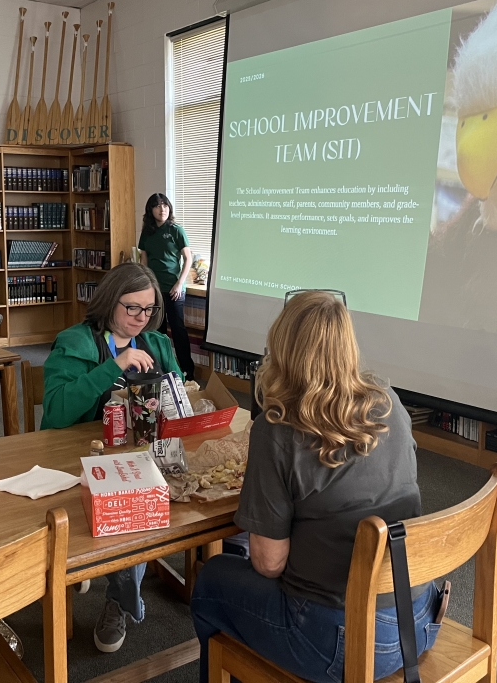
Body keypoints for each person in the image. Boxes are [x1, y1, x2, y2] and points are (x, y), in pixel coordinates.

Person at [191, 291, 441, 683]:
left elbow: (269, 564)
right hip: (420, 619)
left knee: (212, 580)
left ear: (281, 348)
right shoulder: (390, 401)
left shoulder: (278, 429)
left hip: (341, 641)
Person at [42, 262, 181, 654]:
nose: (141, 319)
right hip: (79, 456)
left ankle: (113, 577)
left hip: (142, 454)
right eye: (132, 308)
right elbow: (56, 414)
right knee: (133, 506)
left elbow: (177, 399)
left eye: (149, 309)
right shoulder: (75, 341)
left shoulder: (157, 344)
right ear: (109, 302)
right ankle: (120, 600)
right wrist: (114, 366)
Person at [138, 193, 195, 380]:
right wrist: (147, 285)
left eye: (165, 205)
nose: (162, 209)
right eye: (157, 206)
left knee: (178, 331)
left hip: (174, 290)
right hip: (155, 289)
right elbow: (144, 258)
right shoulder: (147, 232)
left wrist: (180, 284)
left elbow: (188, 258)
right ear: (150, 210)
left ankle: (187, 371)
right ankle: (159, 370)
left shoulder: (176, 230)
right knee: (157, 331)